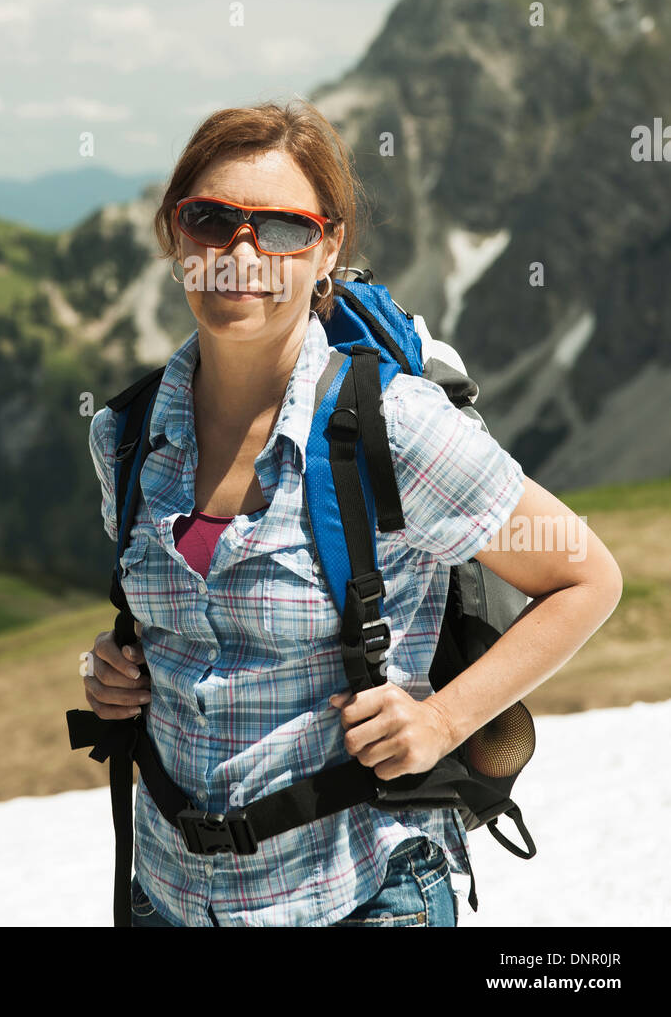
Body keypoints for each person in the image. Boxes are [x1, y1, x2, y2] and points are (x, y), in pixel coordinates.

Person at [84, 99, 622, 928]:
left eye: (283, 229)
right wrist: (121, 670)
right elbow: (183, 629)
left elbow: (587, 576)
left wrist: (441, 720)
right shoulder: (126, 434)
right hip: (168, 891)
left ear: (327, 245)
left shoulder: (392, 429)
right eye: (210, 219)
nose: (240, 251)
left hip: (362, 893)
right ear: (174, 236)